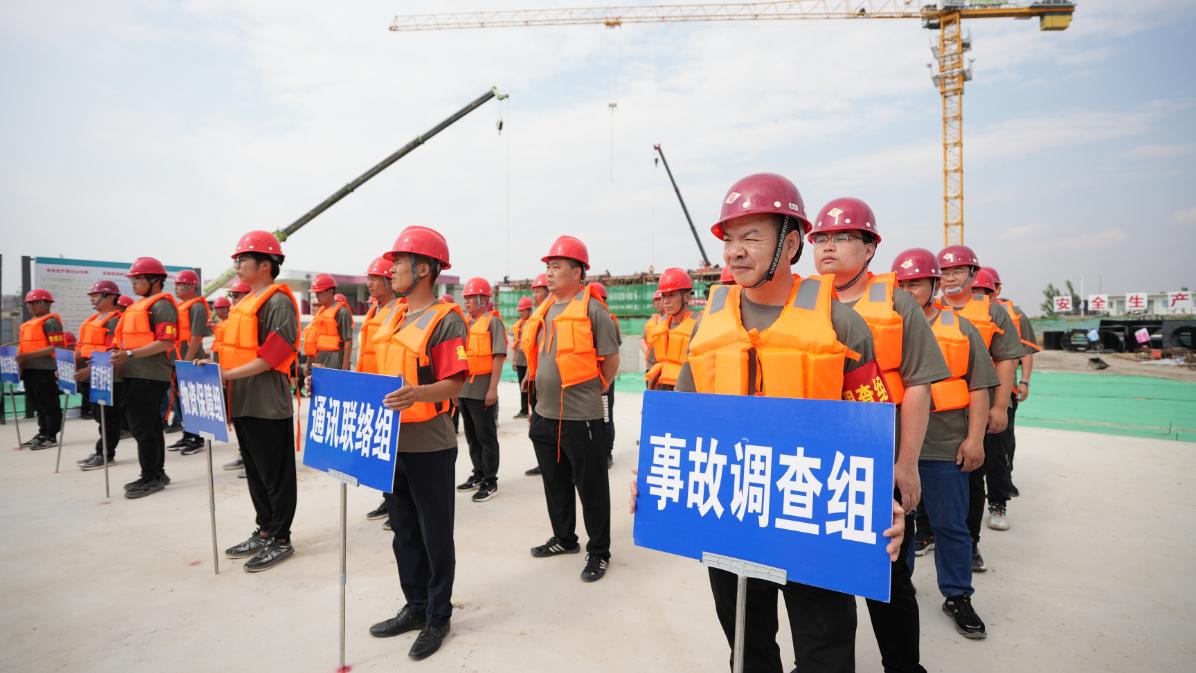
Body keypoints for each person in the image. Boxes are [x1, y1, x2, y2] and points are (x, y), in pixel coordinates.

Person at [636, 173, 906, 673]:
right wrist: (651, 477)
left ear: (792, 243)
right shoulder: (710, 324)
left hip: (812, 515)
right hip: (732, 511)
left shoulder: (840, 324)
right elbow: (685, 420)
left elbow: (871, 427)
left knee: (826, 652)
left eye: (751, 237)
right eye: (729, 239)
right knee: (747, 643)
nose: (735, 251)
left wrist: (882, 501)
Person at [808, 197, 949, 673]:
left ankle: (903, 665)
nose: (828, 246)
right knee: (822, 577)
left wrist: (906, 463)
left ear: (869, 248)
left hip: (880, 461)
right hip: (817, 465)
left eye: (843, 237)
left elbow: (918, 386)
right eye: (821, 238)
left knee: (888, 575)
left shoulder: (897, 302)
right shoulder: (802, 301)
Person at [368, 226, 469, 660]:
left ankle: (438, 616)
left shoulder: (446, 319)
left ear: (424, 268)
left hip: (430, 443)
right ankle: (415, 605)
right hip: (392, 442)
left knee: (434, 535)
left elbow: (456, 382)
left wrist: (417, 394)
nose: (390, 270)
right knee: (403, 530)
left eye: (399, 263)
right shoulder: (393, 315)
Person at [893, 248, 995, 640]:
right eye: (902, 284)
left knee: (951, 525)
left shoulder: (961, 328)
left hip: (942, 447)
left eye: (916, 283)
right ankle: (898, 587)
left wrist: (975, 439)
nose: (908, 290)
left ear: (934, 284)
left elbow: (979, 387)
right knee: (896, 526)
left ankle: (957, 595)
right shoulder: (883, 325)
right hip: (894, 448)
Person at [520, 235, 620, 583]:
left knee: (591, 489)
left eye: (556, 266)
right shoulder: (545, 308)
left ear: (577, 272)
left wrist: (596, 390)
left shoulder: (593, 311)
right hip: (545, 415)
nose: (549, 273)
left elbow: (611, 360)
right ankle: (564, 538)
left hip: (581, 418)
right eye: (548, 267)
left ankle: (599, 551)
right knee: (555, 484)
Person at [217, 230, 301, 572]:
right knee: (255, 471)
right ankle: (264, 529)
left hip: (267, 402)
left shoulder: (278, 302)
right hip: (243, 400)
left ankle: (281, 538)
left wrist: (226, 375)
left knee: (275, 474)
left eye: (243, 260)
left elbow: (273, 355)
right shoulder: (244, 302)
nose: (237, 265)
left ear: (266, 264)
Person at [937, 246, 1024, 570]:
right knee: (930, 473)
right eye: (944, 272)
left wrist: (1000, 406)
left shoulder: (991, 311)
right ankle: (927, 533)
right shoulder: (930, 308)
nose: (950, 278)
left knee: (972, 476)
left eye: (957, 271)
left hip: (978, 407)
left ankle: (970, 544)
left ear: (973, 275)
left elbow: (1006, 359)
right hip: (939, 411)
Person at [111, 257, 179, 499]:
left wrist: (129, 354)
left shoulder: (162, 306)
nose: (133, 283)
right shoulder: (137, 306)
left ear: (155, 280)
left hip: (150, 376)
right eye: (133, 279)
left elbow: (166, 342)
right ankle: (156, 473)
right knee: (148, 426)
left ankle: (150, 476)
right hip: (134, 374)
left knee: (143, 427)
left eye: (138, 278)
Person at [982, 266, 1039, 497]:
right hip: (973, 392)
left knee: (1002, 441)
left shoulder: (1013, 314)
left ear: (997, 289)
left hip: (1005, 389)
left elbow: (1026, 351)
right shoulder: (955, 312)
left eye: (988, 290)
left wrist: (1024, 381)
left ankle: (1003, 485)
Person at [357, 256, 402, 523]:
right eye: (369, 278)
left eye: (375, 279)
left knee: (394, 453)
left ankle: (398, 506)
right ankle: (388, 501)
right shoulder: (374, 310)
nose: (370, 283)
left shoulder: (399, 310)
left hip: (387, 389)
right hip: (370, 386)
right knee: (380, 451)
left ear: (388, 281)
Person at [457, 277, 507, 502]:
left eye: (471, 297)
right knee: (472, 437)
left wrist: (492, 389)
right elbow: (460, 354)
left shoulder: (492, 322)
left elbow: (498, 356)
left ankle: (490, 480)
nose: (466, 301)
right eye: (465, 297)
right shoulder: (466, 323)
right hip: (465, 389)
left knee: (486, 437)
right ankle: (478, 473)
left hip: (483, 388)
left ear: (483, 299)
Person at [73, 280, 124, 470]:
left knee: (108, 418)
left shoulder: (114, 321)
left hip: (108, 375)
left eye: (96, 295)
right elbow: (82, 348)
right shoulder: (92, 320)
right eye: (91, 296)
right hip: (91, 374)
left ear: (110, 297)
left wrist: (90, 370)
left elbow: (113, 351)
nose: (92, 299)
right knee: (98, 416)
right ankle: (100, 451)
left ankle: (106, 454)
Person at [16, 289, 65, 450]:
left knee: (48, 404)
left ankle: (51, 436)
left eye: (35, 302)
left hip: (44, 370)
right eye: (29, 303)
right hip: (29, 369)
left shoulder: (51, 322)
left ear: (47, 304)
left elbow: (56, 347)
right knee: (37, 404)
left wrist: (27, 355)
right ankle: (42, 433)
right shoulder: (28, 324)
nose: (31, 306)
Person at [169, 269, 211, 455]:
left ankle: (197, 438)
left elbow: (196, 336)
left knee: (193, 401)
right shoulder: (180, 307)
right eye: (176, 284)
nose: (176, 288)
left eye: (180, 284)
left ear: (192, 287)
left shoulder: (197, 307)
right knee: (181, 402)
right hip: (178, 360)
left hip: (191, 361)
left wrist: (185, 364)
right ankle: (187, 435)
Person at [644, 268, 696, 393]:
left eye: (672, 295)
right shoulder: (659, 330)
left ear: (687, 296)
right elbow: (651, 365)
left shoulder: (699, 326)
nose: (666, 301)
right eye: (664, 296)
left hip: (688, 395)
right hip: (661, 393)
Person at [588, 281, 622, 468]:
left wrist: (606, 381)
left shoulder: (608, 320)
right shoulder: (584, 320)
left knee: (606, 416)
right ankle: (595, 452)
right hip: (588, 378)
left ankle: (607, 452)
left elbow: (613, 353)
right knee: (592, 418)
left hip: (604, 379)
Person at [523, 273, 552, 477]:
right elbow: (532, 350)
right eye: (533, 291)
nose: (534, 295)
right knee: (537, 427)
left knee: (544, 426)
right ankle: (543, 462)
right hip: (534, 378)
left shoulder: (552, 314)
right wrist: (528, 373)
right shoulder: (536, 316)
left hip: (547, 381)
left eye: (537, 291)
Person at [303, 273, 353, 373]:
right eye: (316, 293)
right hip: (319, 365)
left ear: (330, 292)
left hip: (336, 367)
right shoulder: (320, 312)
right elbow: (313, 340)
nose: (317, 296)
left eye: (319, 293)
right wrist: (308, 365)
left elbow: (348, 342)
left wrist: (344, 369)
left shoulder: (342, 312)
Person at [509, 296, 534, 419]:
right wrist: (514, 360)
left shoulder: (533, 323)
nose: (521, 313)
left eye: (523, 310)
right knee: (522, 387)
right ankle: (524, 410)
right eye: (520, 311)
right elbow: (515, 343)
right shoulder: (519, 324)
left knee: (532, 387)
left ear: (529, 310)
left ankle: (534, 411)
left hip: (530, 361)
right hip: (520, 361)